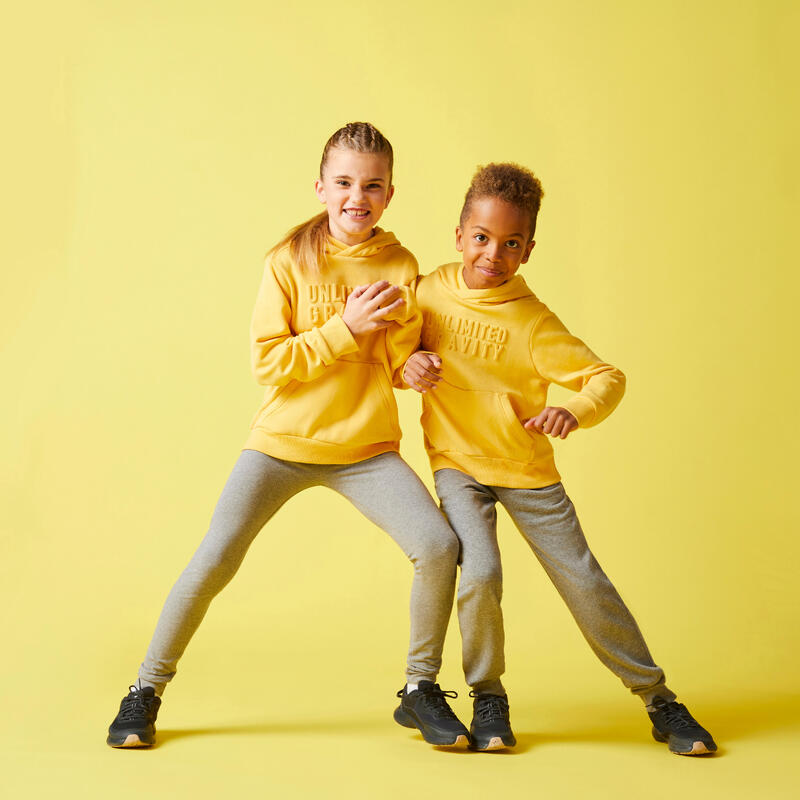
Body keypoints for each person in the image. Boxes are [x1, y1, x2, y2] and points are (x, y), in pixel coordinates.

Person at [107, 122, 470, 749]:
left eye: (373, 185)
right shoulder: (288, 260)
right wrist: (344, 327)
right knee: (214, 560)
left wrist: (412, 366)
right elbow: (268, 364)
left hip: (366, 451)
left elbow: (394, 356)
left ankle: (418, 689)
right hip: (281, 444)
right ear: (321, 187)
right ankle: (144, 690)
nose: (358, 195)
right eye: (345, 182)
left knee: (439, 546)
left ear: (389, 194)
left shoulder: (399, 263)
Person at [402, 163, 716, 756]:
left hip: (526, 470)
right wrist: (406, 368)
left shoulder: (533, 321)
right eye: (482, 237)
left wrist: (575, 410)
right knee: (482, 574)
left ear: (528, 250)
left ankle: (660, 700)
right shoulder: (426, 292)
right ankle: (488, 695)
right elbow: (392, 353)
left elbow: (607, 376)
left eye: (511, 243)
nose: (493, 253)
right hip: (457, 464)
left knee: (585, 582)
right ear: (460, 232)